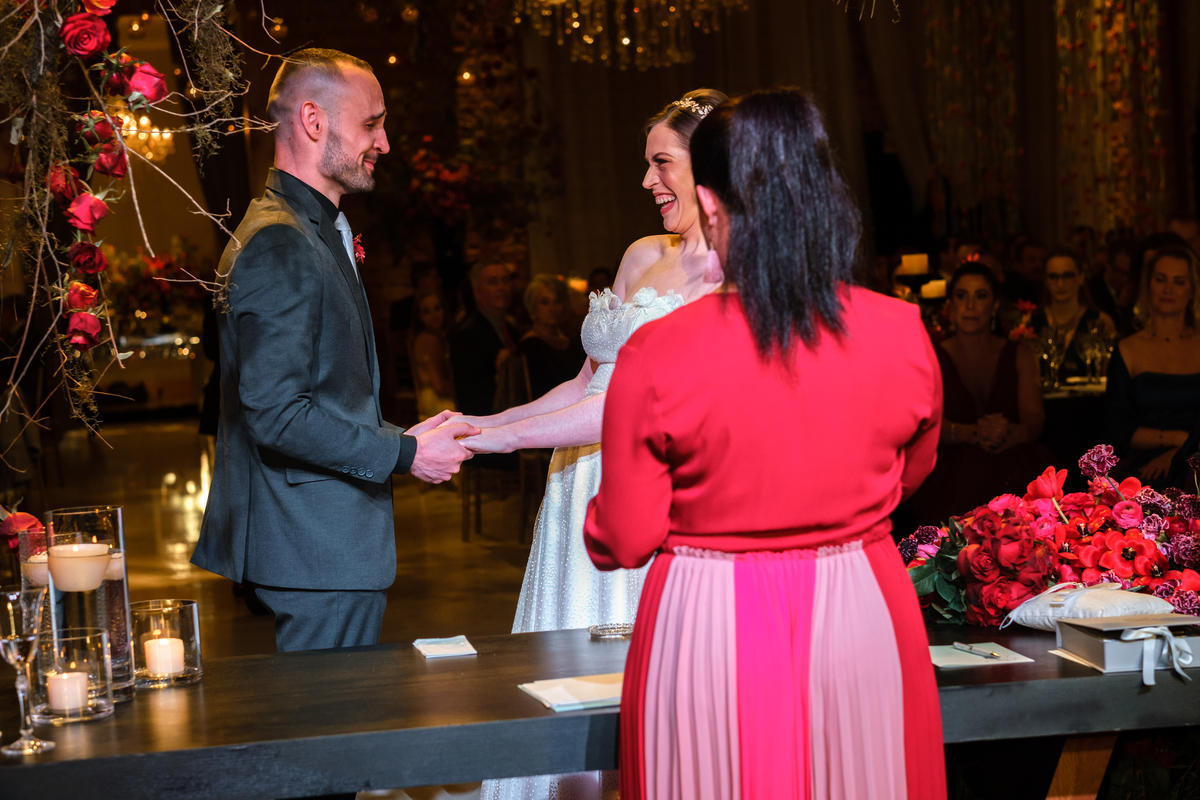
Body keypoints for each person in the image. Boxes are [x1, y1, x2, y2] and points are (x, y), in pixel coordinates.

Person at [582, 88, 946, 800]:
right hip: (862, 613)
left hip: (708, 623)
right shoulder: (902, 331)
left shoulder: (659, 353)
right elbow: (914, 470)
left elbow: (623, 536)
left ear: (712, 206)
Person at [462, 88, 727, 800]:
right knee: (561, 672)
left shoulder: (737, 280)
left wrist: (500, 443)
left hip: (654, 497)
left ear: (709, 164)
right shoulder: (643, 254)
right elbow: (588, 384)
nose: (646, 181)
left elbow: (626, 410)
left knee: (633, 694)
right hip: (575, 487)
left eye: (661, 163)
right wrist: (478, 424)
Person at [193, 49, 476, 657]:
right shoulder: (279, 240)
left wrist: (404, 433)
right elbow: (276, 413)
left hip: (319, 543)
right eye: (372, 123)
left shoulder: (306, 228)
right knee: (328, 743)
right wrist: (403, 453)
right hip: (313, 545)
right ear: (315, 121)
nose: (385, 142)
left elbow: (323, 390)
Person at [910, 262, 1052, 525]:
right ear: (950, 305)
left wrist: (1012, 432)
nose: (971, 305)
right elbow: (923, 423)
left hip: (1012, 464)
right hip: (949, 476)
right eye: (962, 296)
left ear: (995, 305)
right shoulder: (931, 354)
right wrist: (970, 432)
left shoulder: (1018, 352)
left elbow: (1034, 418)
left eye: (981, 296)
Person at [1104, 245, 1200, 488]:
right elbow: (1118, 429)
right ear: (1148, 285)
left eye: (1179, 281)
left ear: (1192, 289)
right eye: (1161, 279)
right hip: (1147, 466)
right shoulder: (1128, 349)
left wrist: (1180, 453)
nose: (1168, 289)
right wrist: (1177, 439)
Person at [448, 261, 521, 419]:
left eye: (505, 280)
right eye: (493, 282)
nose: (502, 287)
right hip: (485, 422)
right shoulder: (466, 334)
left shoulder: (513, 329)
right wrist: (501, 375)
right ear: (477, 292)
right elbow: (467, 394)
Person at [1030, 247, 1114, 379]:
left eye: (1067, 276)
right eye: (1053, 276)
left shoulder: (1100, 321)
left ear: (1080, 278)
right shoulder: (1030, 322)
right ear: (1045, 281)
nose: (1060, 283)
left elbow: (1108, 378)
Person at [519, 274, 586, 400]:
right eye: (545, 302)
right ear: (533, 306)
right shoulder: (529, 347)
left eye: (557, 301)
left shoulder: (571, 340)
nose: (552, 308)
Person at [409, 290, 456, 421]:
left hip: (427, 399)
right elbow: (439, 386)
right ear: (419, 316)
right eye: (426, 311)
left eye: (437, 308)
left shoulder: (427, 337)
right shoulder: (429, 340)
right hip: (436, 401)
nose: (434, 315)